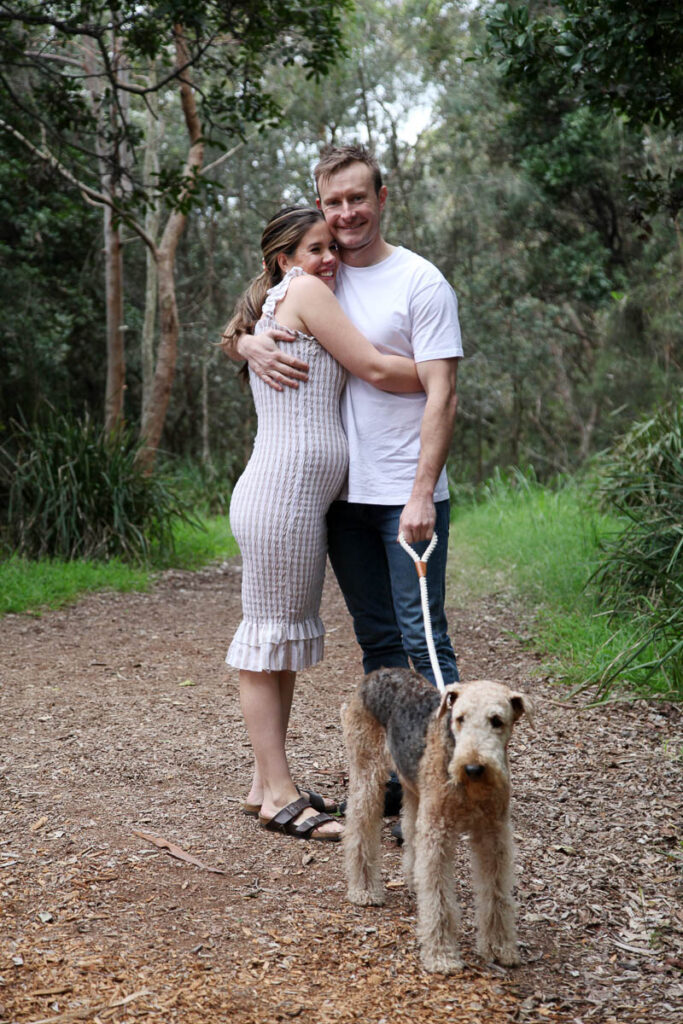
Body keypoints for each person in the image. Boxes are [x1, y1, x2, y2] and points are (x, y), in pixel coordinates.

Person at [221, 205, 423, 843]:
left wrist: (242, 339)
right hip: (280, 495)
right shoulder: (304, 291)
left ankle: (264, 784)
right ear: (285, 259)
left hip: (296, 498)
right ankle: (279, 794)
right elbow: (369, 365)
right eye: (315, 247)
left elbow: (241, 334)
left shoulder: (284, 297)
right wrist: (440, 372)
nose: (328, 258)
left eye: (333, 247)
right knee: (265, 644)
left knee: (279, 643)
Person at [236, 146, 463, 705]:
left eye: (358, 197)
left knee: (424, 636)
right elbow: (246, 320)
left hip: (401, 494)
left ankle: (443, 784)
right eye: (334, 201)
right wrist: (243, 345)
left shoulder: (421, 282)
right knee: (378, 641)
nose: (347, 212)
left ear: (381, 199)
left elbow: (441, 394)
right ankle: (393, 781)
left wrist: (422, 494)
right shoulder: (318, 273)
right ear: (321, 205)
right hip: (340, 499)